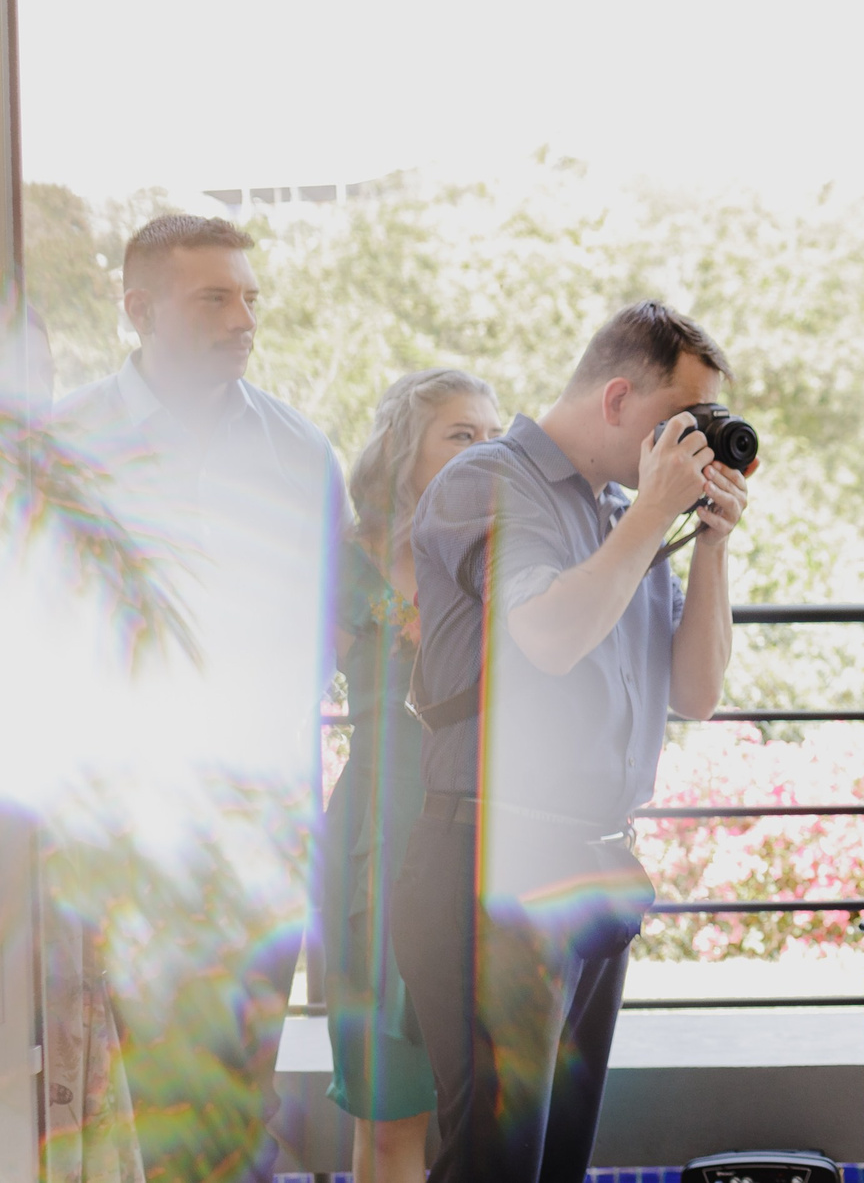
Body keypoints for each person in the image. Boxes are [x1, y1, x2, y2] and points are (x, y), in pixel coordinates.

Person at [390, 302, 750, 1183]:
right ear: (621, 399)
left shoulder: (623, 513)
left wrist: (709, 540)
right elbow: (548, 637)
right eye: (684, 422)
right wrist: (649, 517)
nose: (695, 446)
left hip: (593, 870)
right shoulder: (489, 480)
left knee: (556, 1166)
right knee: (495, 1164)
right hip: (492, 859)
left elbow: (697, 693)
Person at [52, 213, 344, 1183]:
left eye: (249, 296)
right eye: (214, 296)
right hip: (119, 842)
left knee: (243, 1104)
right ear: (138, 309)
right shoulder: (63, 448)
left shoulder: (303, 453)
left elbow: (333, 630)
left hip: (263, 835)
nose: (243, 316)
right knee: (123, 1107)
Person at [323, 370, 502, 1183]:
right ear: (405, 449)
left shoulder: (507, 561)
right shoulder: (344, 562)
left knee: (480, 1114)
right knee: (389, 1120)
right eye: (461, 433)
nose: (484, 449)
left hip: (481, 845)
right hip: (377, 848)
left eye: (493, 435)